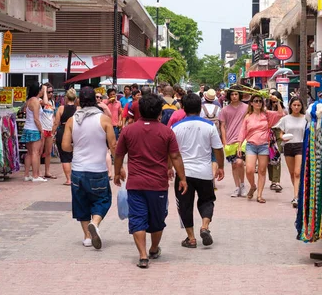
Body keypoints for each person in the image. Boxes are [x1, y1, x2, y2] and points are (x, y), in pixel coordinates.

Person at [115, 94, 188, 268]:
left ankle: (142, 256)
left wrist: (116, 172)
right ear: (159, 113)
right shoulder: (166, 132)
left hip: (136, 184)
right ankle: (154, 249)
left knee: (137, 218)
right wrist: (182, 178)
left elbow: (119, 154)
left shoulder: (128, 130)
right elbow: (175, 156)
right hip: (158, 185)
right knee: (157, 219)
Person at [62, 86, 117, 250]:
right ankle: (95, 222)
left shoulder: (72, 120)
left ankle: (87, 236)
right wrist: (118, 165)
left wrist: (76, 148)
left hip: (78, 170)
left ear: (79, 100)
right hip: (98, 170)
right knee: (103, 199)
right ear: (95, 100)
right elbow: (113, 145)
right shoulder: (104, 119)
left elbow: (65, 147)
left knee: (81, 202)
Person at [172, 93, 225, 248]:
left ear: (183, 108)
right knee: (207, 200)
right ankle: (205, 226)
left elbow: (172, 153)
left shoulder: (175, 127)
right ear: (200, 108)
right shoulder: (209, 126)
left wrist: (169, 168)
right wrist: (220, 166)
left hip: (184, 174)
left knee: (185, 204)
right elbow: (218, 149)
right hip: (204, 172)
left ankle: (191, 238)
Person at [237, 93, 283, 203]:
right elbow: (242, 131)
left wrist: (277, 101)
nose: (258, 103)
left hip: (264, 145)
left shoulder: (266, 114)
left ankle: (259, 195)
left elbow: (281, 114)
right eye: (256, 101)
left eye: (260, 101)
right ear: (251, 103)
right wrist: (239, 145)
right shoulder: (248, 116)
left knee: (262, 170)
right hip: (251, 145)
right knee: (249, 170)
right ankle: (253, 186)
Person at [273, 97, 307, 208]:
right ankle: (297, 192)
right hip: (288, 146)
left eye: (298, 105)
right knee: (292, 173)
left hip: (300, 145)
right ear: (290, 106)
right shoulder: (285, 119)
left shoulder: (306, 118)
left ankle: (296, 196)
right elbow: (281, 133)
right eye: (294, 105)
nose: (296, 107)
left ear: (301, 106)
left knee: (298, 172)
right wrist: (282, 138)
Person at [219, 86, 248, 197]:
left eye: (236, 94)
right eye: (232, 94)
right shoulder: (224, 110)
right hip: (229, 141)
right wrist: (224, 141)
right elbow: (222, 126)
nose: (234, 96)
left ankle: (242, 185)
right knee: (234, 165)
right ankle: (237, 187)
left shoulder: (246, 107)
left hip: (242, 140)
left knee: (239, 162)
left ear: (239, 95)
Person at [21, 83, 48, 182]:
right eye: (41, 89)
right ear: (38, 90)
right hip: (34, 129)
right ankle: (36, 175)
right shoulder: (36, 102)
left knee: (29, 153)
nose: (42, 91)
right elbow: (36, 119)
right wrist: (41, 130)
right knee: (36, 153)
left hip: (27, 128)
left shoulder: (29, 101)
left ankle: (27, 174)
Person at [52, 89, 78, 186]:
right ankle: (76, 178)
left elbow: (56, 123)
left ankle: (68, 179)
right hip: (75, 132)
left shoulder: (61, 108)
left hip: (62, 132)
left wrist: (52, 133)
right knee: (76, 156)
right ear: (75, 98)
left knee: (65, 157)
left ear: (66, 98)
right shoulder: (78, 109)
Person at [267, 90, 285, 193]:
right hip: (268, 132)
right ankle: (272, 180)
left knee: (276, 156)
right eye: (273, 101)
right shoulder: (266, 109)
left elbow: (281, 114)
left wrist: (277, 102)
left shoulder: (282, 109)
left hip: (278, 133)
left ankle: (276, 181)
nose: (274, 103)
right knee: (270, 157)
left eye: (276, 101)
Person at [40, 83, 57, 179]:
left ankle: (47, 171)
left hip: (50, 129)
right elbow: (45, 103)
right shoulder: (41, 101)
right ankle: (37, 172)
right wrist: (44, 90)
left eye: (52, 92)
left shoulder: (53, 102)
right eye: (49, 92)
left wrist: (54, 128)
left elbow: (53, 115)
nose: (51, 93)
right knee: (39, 151)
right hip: (43, 128)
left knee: (48, 151)